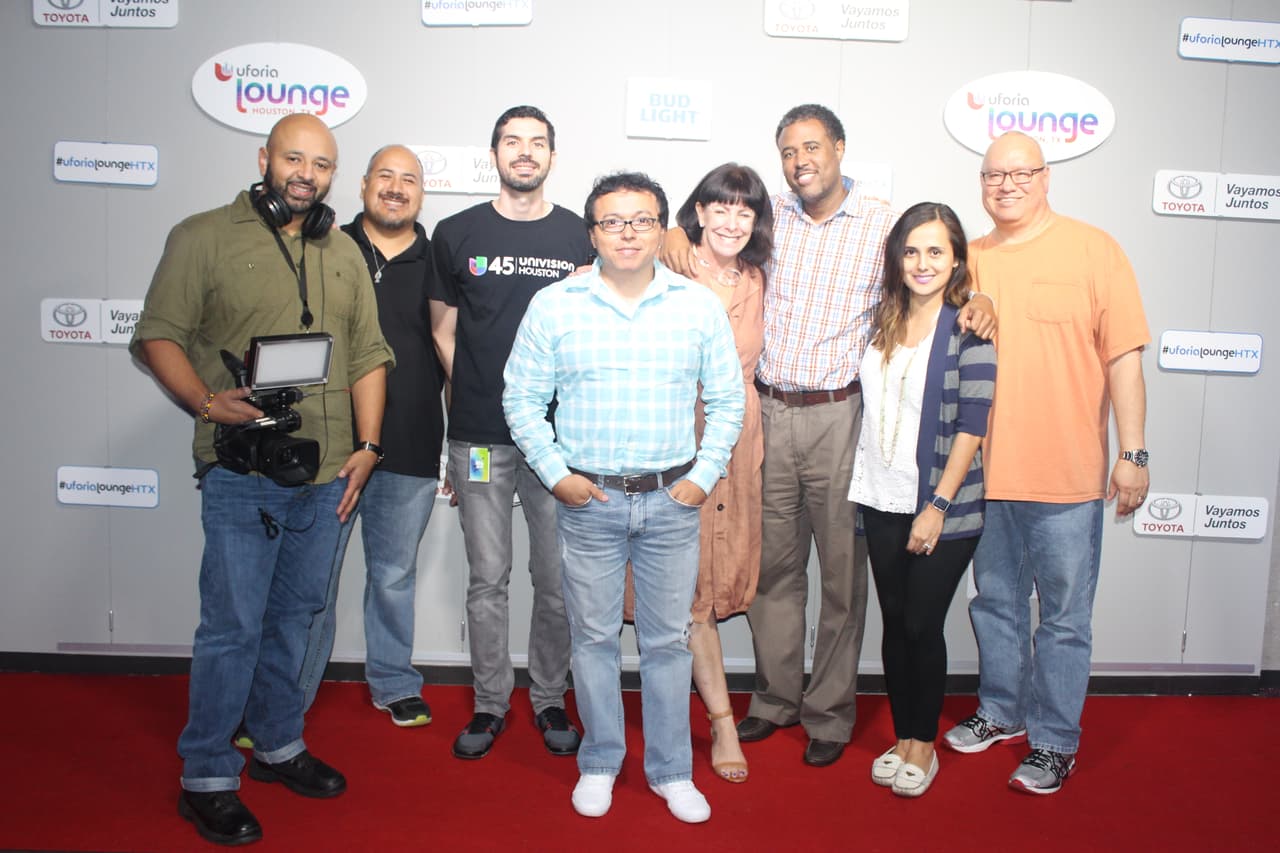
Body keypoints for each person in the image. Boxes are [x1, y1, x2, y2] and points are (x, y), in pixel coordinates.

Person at [661, 104, 994, 768]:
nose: (800, 161)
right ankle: (775, 699)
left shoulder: (881, 221)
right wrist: (675, 232)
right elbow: (704, 233)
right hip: (766, 413)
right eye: (788, 151)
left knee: (843, 575)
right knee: (774, 569)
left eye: (811, 147)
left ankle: (831, 713)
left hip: (842, 418)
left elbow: (935, 267)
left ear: (840, 148)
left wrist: (980, 298)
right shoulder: (770, 218)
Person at [131, 113, 394, 846]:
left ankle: (277, 743)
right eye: (294, 158)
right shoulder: (203, 236)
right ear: (264, 159)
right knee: (233, 626)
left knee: (297, 616)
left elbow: (368, 354)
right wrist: (207, 402)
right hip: (242, 468)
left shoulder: (343, 249)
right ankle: (207, 776)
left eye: (322, 163)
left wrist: (369, 446)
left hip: (329, 471)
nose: (306, 174)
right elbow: (157, 334)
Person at [503, 172, 745, 823]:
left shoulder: (696, 306)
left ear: (661, 229)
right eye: (612, 222)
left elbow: (728, 401)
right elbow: (520, 399)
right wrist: (557, 475)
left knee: (667, 642)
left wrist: (702, 476)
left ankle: (671, 771)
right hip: (590, 503)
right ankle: (601, 760)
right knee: (592, 639)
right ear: (593, 233)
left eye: (641, 220)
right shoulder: (555, 305)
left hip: (672, 501)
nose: (628, 233)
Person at [942, 131, 1150, 795]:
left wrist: (1133, 452)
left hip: (1067, 478)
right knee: (995, 605)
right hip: (985, 476)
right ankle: (1001, 711)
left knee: (1063, 619)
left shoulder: (1095, 250)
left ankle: (1055, 742)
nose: (1005, 185)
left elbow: (1124, 358)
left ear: (1046, 177)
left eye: (1020, 173)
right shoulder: (967, 261)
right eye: (992, 175)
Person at [428, 106, 593, 759]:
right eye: (512, 141)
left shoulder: (581, 235)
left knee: (555, 580)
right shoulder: (455, 233)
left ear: (551, 155)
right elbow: (443, 330)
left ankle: (550, 697)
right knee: (486, 577)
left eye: (537, 142)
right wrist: (479, 386)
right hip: (479, 439)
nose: (525, 152)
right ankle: (490, 703)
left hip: (559, 444)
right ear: (494, 152)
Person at [849, 202, 996, 798]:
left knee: (921, 623)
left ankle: (924, 745)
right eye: (911, 250)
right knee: (893, 623)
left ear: (957, 259)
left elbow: (972, 426)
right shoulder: (881, 320)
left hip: (942, 504)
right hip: (880, 495)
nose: (922, 262)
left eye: (936, 251)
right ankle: (903, 735)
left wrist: (937, 506)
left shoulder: (970, 328)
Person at [297, 144, 446, 726]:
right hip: (330, 444)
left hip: (412, 441)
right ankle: (289, 694)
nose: (396, 187)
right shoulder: (323, 246)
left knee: (393, 575)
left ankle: (393, 681)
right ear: (361, 185)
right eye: (385, 175)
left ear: (421, 194)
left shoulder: (439, 262)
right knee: (312, 580)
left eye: (409, 179)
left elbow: (454, 351)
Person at [664, 163, 770, 783]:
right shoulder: (667, 263)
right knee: (690, 586)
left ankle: (713, 712)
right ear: (699, 212)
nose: (732, 222)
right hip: (682, 437)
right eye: (720, 208)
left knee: (717, 579)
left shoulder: (758, 278)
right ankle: (723, 722)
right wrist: (667, 237)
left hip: (740, 445)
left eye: (744, 211)